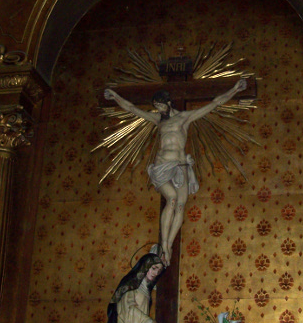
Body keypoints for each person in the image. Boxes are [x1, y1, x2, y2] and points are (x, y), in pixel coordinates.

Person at [104, 78, 247, 266]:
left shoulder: (185, 117)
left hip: (181, 166)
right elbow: (132, 108)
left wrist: (235, 89)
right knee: (171, 198)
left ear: (169, 103)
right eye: (156, 107)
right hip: (162, 165)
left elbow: (215, 103)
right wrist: (114, 96)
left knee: (180, 205)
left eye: (161, 105)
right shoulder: (158, 119)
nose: (159, 110)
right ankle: (163, 243)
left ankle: (169, 245)